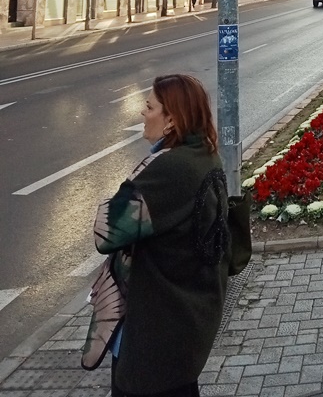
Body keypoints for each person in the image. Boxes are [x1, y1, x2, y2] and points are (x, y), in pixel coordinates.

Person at [82, 74, 230, 396]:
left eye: (149, 106)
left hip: (155, 335)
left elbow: (106, 232)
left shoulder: (170, 170)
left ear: (171, 120)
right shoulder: (205, 155)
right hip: (185, 325)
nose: (142, 113)